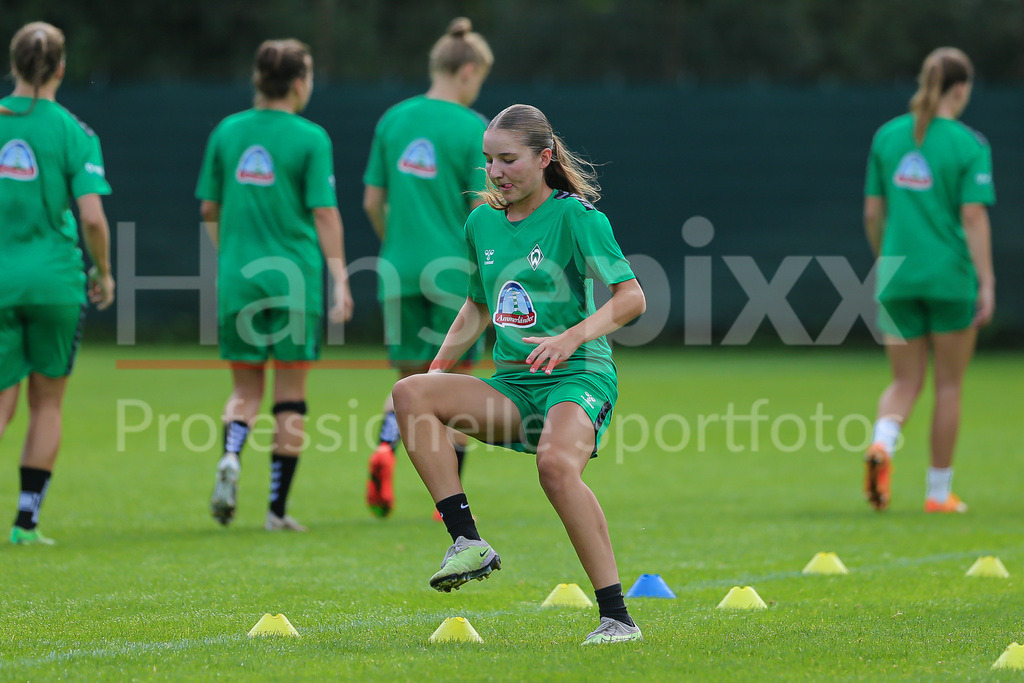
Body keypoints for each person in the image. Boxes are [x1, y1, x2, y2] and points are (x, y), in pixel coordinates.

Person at [392, 104, 647, 645]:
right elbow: (477, 306)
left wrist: (572, 336)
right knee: (410, 393)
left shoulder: (577, 217)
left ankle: (617, 618)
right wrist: (439, 369)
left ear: (544, 158)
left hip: (578, 376)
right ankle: (467, 542)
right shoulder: (480, 222)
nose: (496, 171)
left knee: (555, 466)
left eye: (508, 160)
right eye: (489, 160)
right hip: (513, 384)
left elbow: (631, 298)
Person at [196, 39, 353, 531]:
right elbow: (324, 213)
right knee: (290, 396)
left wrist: (230, 254)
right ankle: (276, 510)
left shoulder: (227, 132)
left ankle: (231, 454)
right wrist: (341, 278)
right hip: (295, 282)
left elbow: (208, 208)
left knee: (244, 389)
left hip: (238, 278)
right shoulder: (311, 138)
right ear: (300, 82)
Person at [362, 17, 493, 519]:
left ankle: (384, 446)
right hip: (453, 273)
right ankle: (448, 503)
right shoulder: (473, 128)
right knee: (456, 387)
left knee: (408, 383)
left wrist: (397, 243)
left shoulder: (393, 120)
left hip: (398, 266)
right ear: (468, 71)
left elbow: (372, 201)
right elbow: (482, 209)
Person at [862, 47, 995, 513]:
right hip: (949, 278)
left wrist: (886, 261)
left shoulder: (887, 137)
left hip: (898, 276)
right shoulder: (969, 144)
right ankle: (938, 493)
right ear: (961, 89)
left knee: (903, 381)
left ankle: (882, 443)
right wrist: (986, 281)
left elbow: (872, 213)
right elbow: (973, 217)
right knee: (949, 385)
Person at [0, 22, 115, 545]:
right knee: (46, 403)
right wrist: (104, 272)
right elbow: (92, 217)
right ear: (62, 69)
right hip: (54, 282)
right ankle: (26, 523)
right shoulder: (75, 131)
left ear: (13, 62)